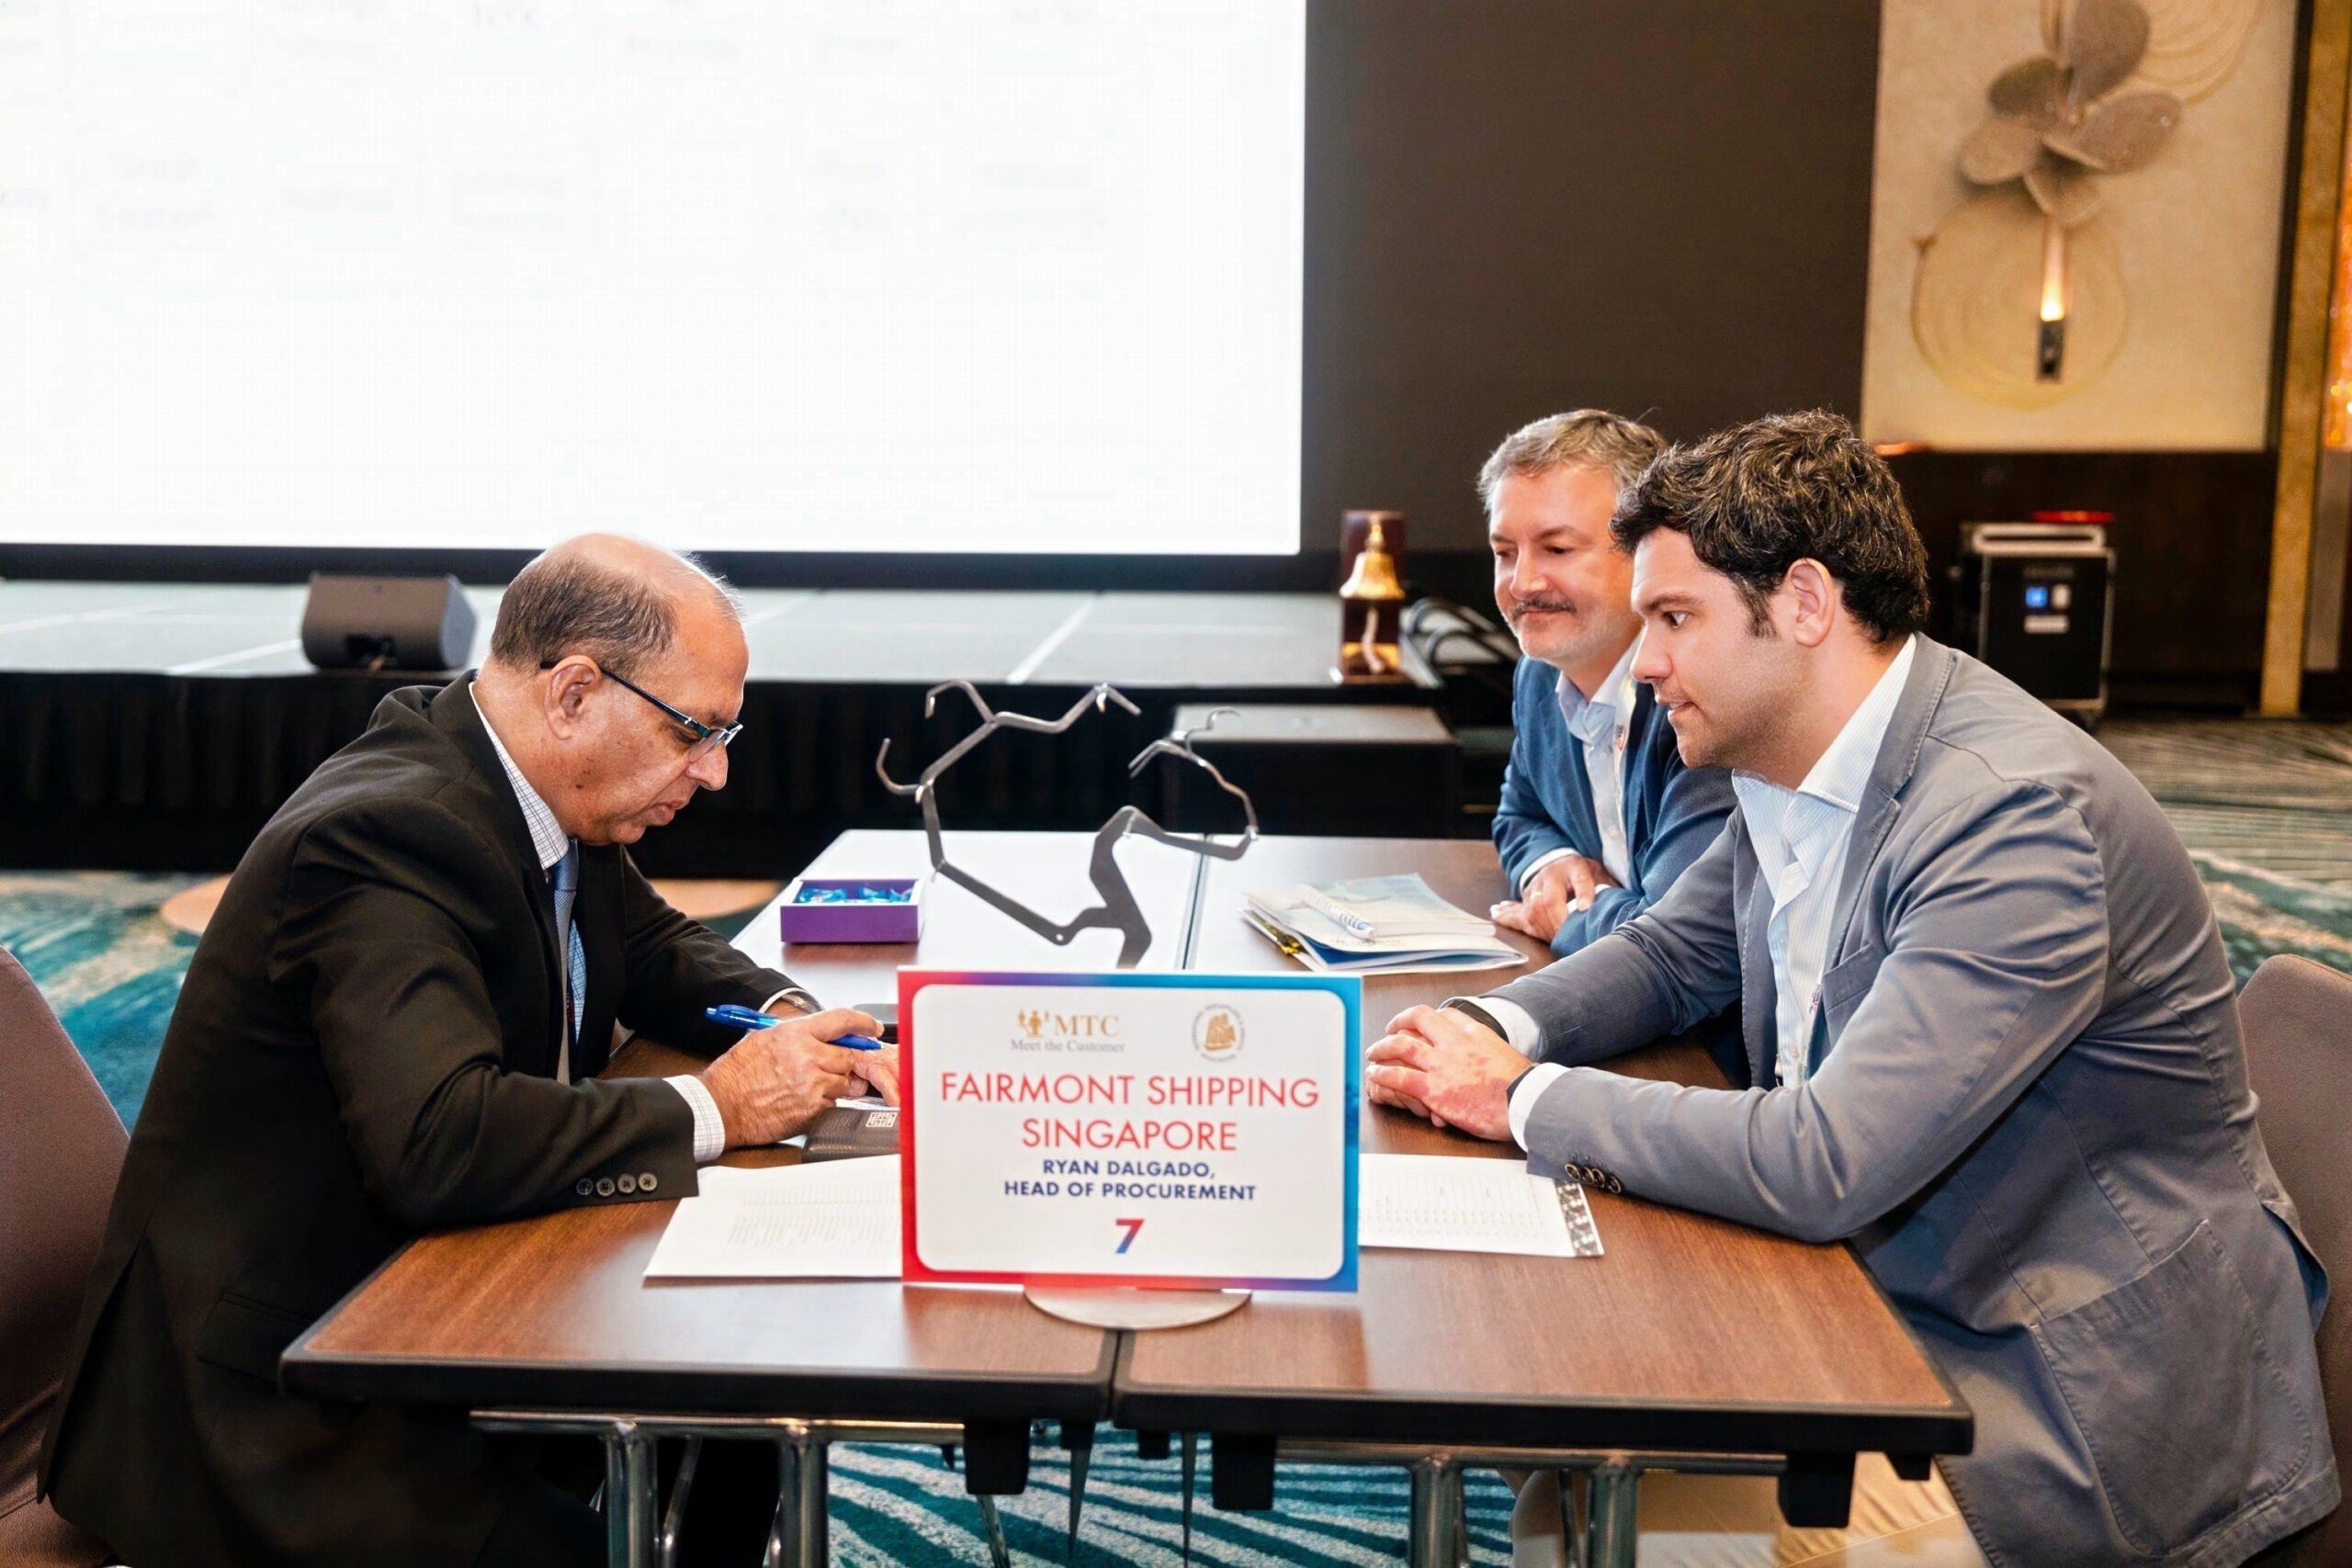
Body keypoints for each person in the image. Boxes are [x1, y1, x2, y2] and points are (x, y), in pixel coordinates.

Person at [1369, 413, 2338, 1566]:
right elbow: (1674, 955)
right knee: (1564, 1460)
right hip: (1897, 1287)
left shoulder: (2010, 820)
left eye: (1674, 619)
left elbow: (1824, 1162)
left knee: (1601, 1525)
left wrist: (1518, 1096)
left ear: (1804, 604)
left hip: (2068, 1384)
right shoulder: (1801, 747)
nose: (1648, 661)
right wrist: (1481, 1024)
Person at [40, 536, 896, 1567]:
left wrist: (799, 1016)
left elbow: (655, 946)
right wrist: (724, 1106)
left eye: (726, 734)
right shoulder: (384, 835)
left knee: (738, 1412)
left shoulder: (538, 785)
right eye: (693, 731)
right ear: (574, 692)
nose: (714, 772)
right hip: (280, 1395)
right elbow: (439, 1139)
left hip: (429, 1297)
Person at [1484, 411, 1734, 958]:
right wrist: (1552, 867)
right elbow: (1520, 814)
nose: (1522, 583)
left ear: (1647, 549)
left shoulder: (1699, 690)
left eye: (1557, 549)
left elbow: (1683, 937)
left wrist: (1571, 915)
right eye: (1505, 553)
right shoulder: (1539, 675)